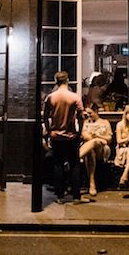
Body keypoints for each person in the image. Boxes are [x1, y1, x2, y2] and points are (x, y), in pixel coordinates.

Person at [43, 70, 90, 205]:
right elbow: (81, 117)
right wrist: (79, 132)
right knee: (75, 165)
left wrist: (50, 129)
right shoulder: (74, 97)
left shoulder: (50, 97)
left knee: (57, 165)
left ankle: (59, 196)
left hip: (56, 136)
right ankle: (76, 196)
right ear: (67, 80)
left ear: (56, 82)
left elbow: (46, 116)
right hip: (70, 136)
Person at [79, 103, 112, 196]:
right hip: (90, 149)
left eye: (90, 113)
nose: (88, 115)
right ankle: (92, 183)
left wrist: (97, 136)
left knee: (94, 143)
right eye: (87, 113)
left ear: (96, 111)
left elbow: (109, 139)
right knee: (91, 149)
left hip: (102, 150)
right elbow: (84, 136)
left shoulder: (105, 122)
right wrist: (99, 139)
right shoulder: (85, 123)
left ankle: (76, 157)